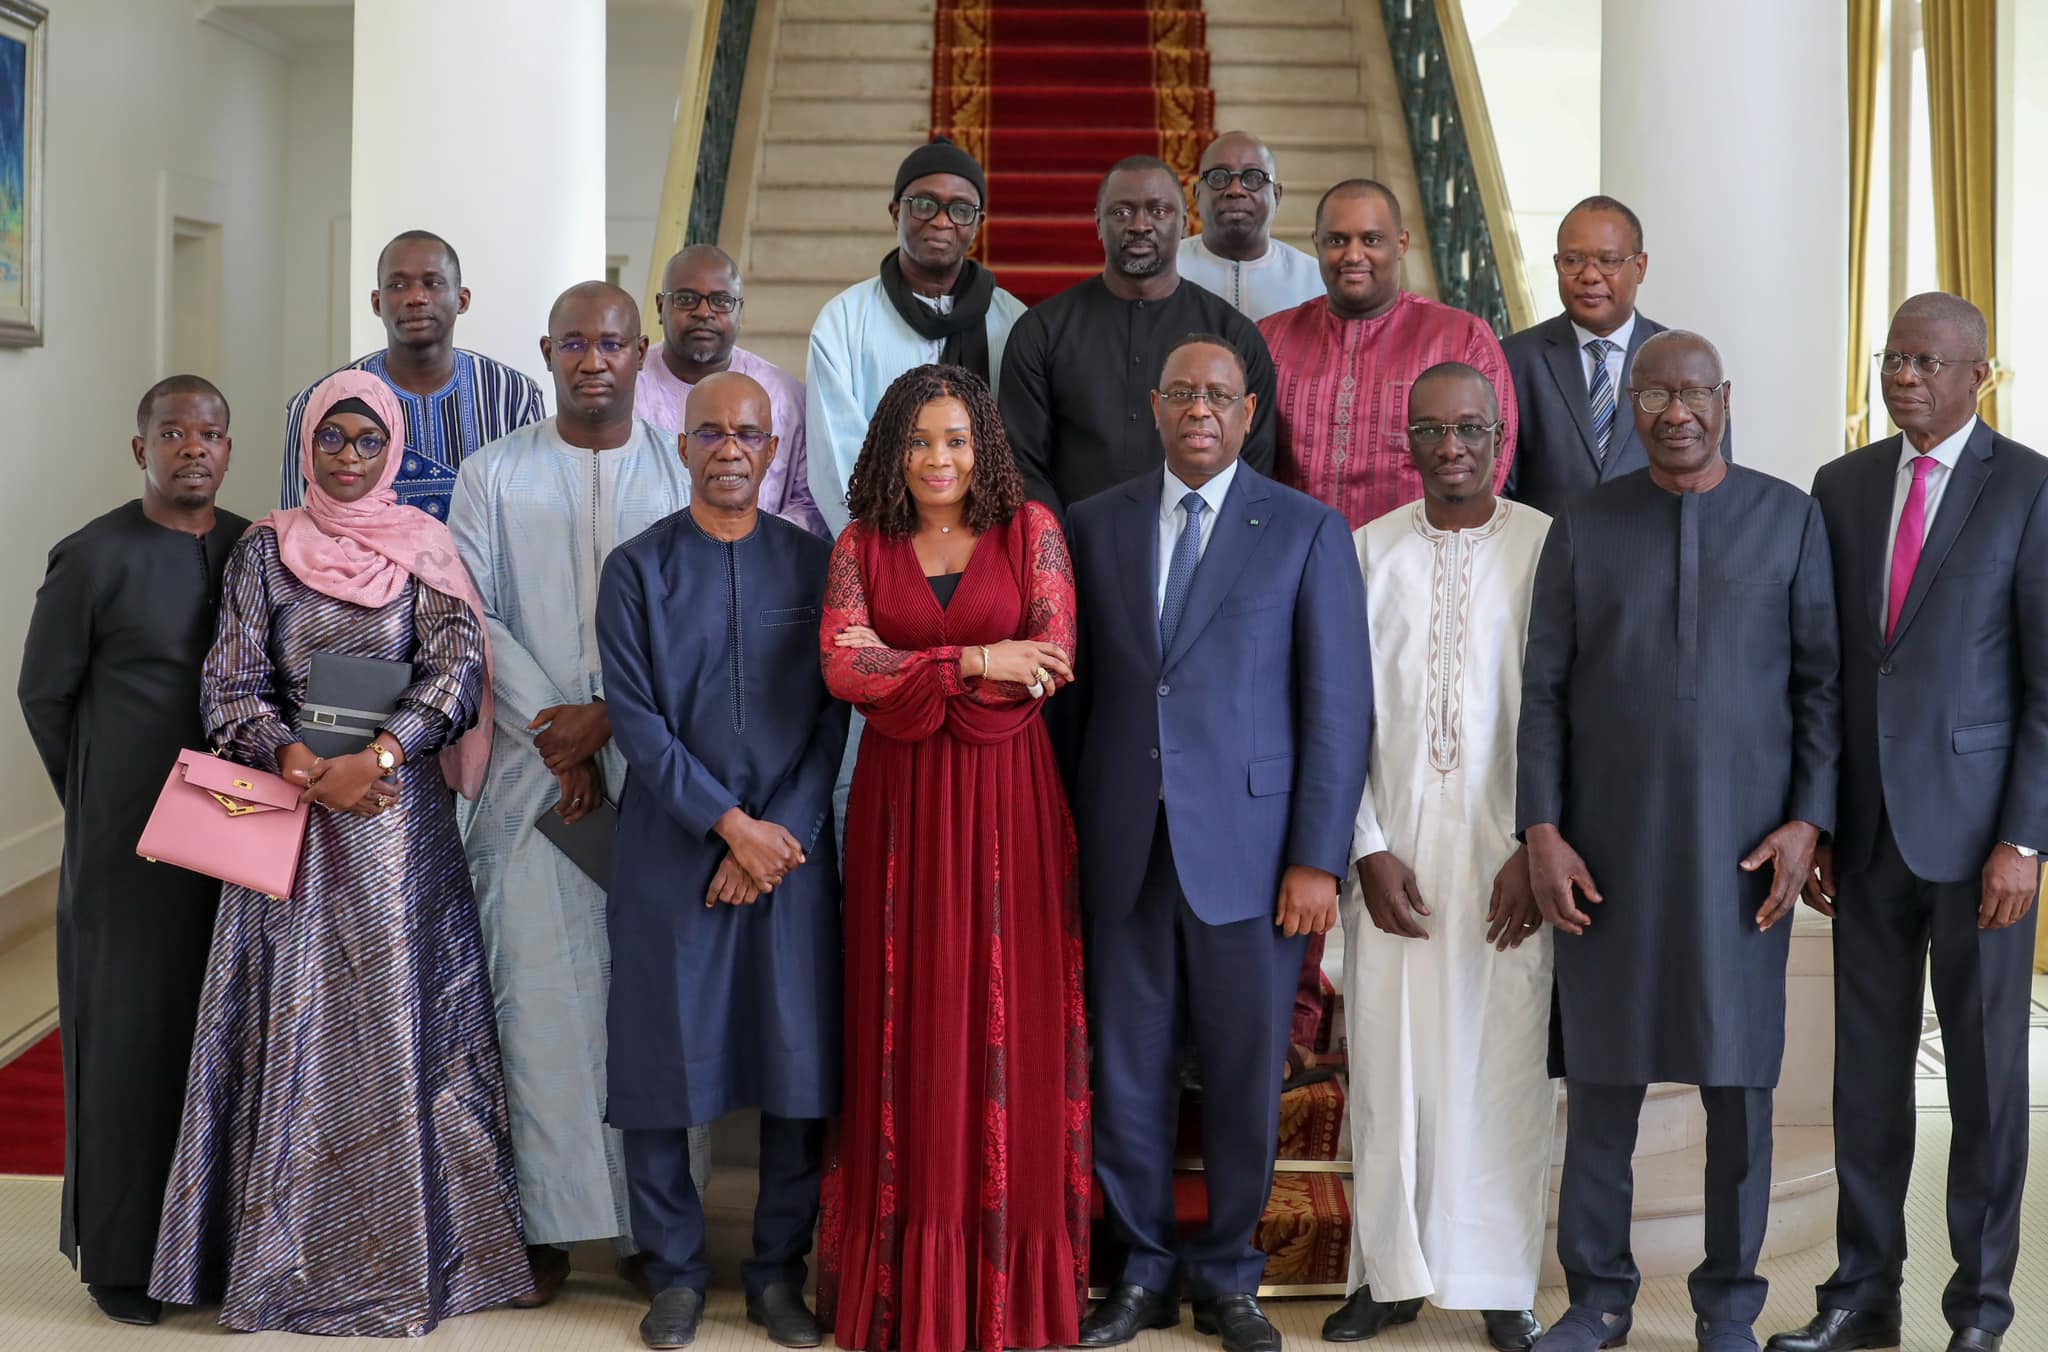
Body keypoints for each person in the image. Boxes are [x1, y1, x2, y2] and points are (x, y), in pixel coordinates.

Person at [147, 371, 528, 1335]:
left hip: (398, 834)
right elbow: (231, 682)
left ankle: (417, 1269)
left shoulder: (427, 550)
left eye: (367, 441)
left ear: (391, 449)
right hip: (287, 826)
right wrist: (302, 761)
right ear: (306, 445)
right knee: (291, 1029)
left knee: (404, 1035)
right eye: (332, 440)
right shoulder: (264, 551)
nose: (349, 457)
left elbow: (456, 669)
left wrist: (381, 756)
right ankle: (276, 1271)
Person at [1517, 332, 1840, 1352]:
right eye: (1652, 391)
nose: (1672, 410)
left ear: (1723, 398)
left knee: (1738, 1087)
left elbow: (1819, 687)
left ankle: (1726, 1303)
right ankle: (1598, 1297)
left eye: (1690, 390)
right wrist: (1541, 832)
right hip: (1605, 850)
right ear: (1633, 404)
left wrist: (1806, 819)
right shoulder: (1582, 521)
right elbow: (1543, 693)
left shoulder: (1788, 517)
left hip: (1742, 854)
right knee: (1604, 1082)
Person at [1067, 335, 1370, 1352]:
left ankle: (1229, 1274)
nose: (1199, 408)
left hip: (1252, 855)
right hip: (1122, 849)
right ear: (1155, 408)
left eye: (1220, 395)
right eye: (1182, 393)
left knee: (1243, 1073)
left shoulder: (1304, 530)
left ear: (1250, 414)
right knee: (1128, 1068)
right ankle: (1142, 1267)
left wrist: (1316, 857)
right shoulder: (1090, 525)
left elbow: (1335, 708)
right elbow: (1078, 705)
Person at [1769, 293, 2047, 1352]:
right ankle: (1861, 1293)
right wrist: (1819, 816)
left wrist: (2023, 837)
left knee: (1982, 1083)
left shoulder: (2025, 487)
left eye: (1927, 362)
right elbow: (1825, 670)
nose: (1903, 377)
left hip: (1982, 845)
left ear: (1977, 372)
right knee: (1865, 1079)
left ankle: (1977, 1308)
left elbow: (2041, 682)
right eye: (1891, 358)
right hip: (1865, 834)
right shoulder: (1838, 487)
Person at [815, 364, 1088, 1352]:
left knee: (1002, 1008)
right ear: (892, 448)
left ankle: (1004, 1282)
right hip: (897, 806)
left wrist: (913, 675)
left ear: (987, 448)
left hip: (1008, 804)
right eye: (920, 440)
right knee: (907, 1005)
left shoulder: (1033, 534)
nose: (938, 458)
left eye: (957, 439)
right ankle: (907, 1286)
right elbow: (842, 666)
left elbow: (1049, 660)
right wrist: (973, 658)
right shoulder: (860, 542)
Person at [449, 281, 698, 1305]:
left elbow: (691, 615)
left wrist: (609, 719)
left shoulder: (681, 472)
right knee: (536, 1000)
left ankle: (651, 1226)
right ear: (546, 353)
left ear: (643, 354)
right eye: (575, 344)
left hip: (651, 774)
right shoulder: (492, 473)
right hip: (528, 775)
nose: (594, 360)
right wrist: (560, 725)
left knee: (647, 1003)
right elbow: (469, 610)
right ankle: (540, 1228)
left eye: (613, 343)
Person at [598, 371, 848, 1350]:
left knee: (795, 1068)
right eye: (712, 432)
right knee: (662, 1066)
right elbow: (636, 721)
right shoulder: (636, 568)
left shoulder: (818, 565)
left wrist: (770, 834)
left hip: (789, 856)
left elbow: (833, 712)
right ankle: (674, 1272)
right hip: (671, 853)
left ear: (774, 446)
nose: (732, 448)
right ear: (682, 444)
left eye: (749, 431)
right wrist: (725, 824)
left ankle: (776, 1271)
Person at [1325, 363, 1550, 1352]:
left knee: (1501, 1063)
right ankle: (1388, 1272)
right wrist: (1365, 846)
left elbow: (1566, 709)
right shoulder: (1363, 551)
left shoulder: (1548, 546)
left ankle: (1499, 1278)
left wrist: (1535, 844)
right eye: (1430, 428)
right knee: (1385, 1062)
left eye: (1468, 426)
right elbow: (1333, 719)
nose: (1449, 444)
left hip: (1510, 856)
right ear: (1403, 440)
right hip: (1393, 856)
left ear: (1497, 433)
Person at [17, 376, 249, 1328]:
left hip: (238, 836)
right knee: (127, 1046)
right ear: (140, 448)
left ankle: (218, 1248)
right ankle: (121, 1260)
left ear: (229, 448)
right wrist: (102, 798)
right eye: (172, 433)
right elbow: (44, 696)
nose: (192, 447)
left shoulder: (252, 549)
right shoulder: (94, 556)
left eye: (210, 433)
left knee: (221, 1041)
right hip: (128, 847)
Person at [1000, 156, 1277, 514]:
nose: (1140, 225)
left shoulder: (1233, 336)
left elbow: (1253, 460)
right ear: (1098, 224)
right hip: (1072, 553)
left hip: (1199, 548)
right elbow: (1022, 462)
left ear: (1183, 224)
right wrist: (1058, 548)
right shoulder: (1042, 331)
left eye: (1158, 211)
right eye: (1121, 212)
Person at [1258, 179, 1517, 530]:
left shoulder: (1463, 339)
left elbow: (1491, 465)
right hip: (1294, 557)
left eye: (1371, 240)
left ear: (1401, 244)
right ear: (1316, 243)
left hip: (1419, 562)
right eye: (1337, 240)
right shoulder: (1270, 338)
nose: (1352, 255)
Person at [807, 137, 1027, 534]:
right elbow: (835, 449)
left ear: (978, 223)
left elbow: (1020, 440)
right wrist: (877, 541)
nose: (942, 221)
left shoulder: (1010, 319)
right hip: (882, 538)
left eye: (961, 209)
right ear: (896, 213)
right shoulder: (844, 320)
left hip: (985, 537)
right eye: (924, 204)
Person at [281, 229, 546, 518]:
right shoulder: (318, 402)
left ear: (462, 300)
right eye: (397, 285)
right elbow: (298, 528)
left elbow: (533, 520)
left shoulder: (514, 395)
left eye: (432, 283)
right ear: (377, 303)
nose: (416, 297)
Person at [1502, 195, 1728, 517]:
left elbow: (1716, 485)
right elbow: (1498, 489)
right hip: (1549, 557)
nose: (1590, 276)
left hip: (1658, 557)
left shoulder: (1688, 361)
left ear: (1639, 267)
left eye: (1607, 261)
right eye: (1573, 260)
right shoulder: (1513, 359)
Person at [634, 244, 826, 537]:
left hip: (760, 573)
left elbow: (811, 503)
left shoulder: (784, 397)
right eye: (686, 299)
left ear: (740, 311)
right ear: (661, 307)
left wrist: (749, 550)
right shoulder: (629, 391)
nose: (703, 312)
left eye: (721, 301)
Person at [1175, 131, 1323, 321]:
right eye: (1218, 177)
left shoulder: (1315, 280)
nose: (1235, 190)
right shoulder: (1165, 271)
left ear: (1276, 195)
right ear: (1196, 194)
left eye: (1254, 177)